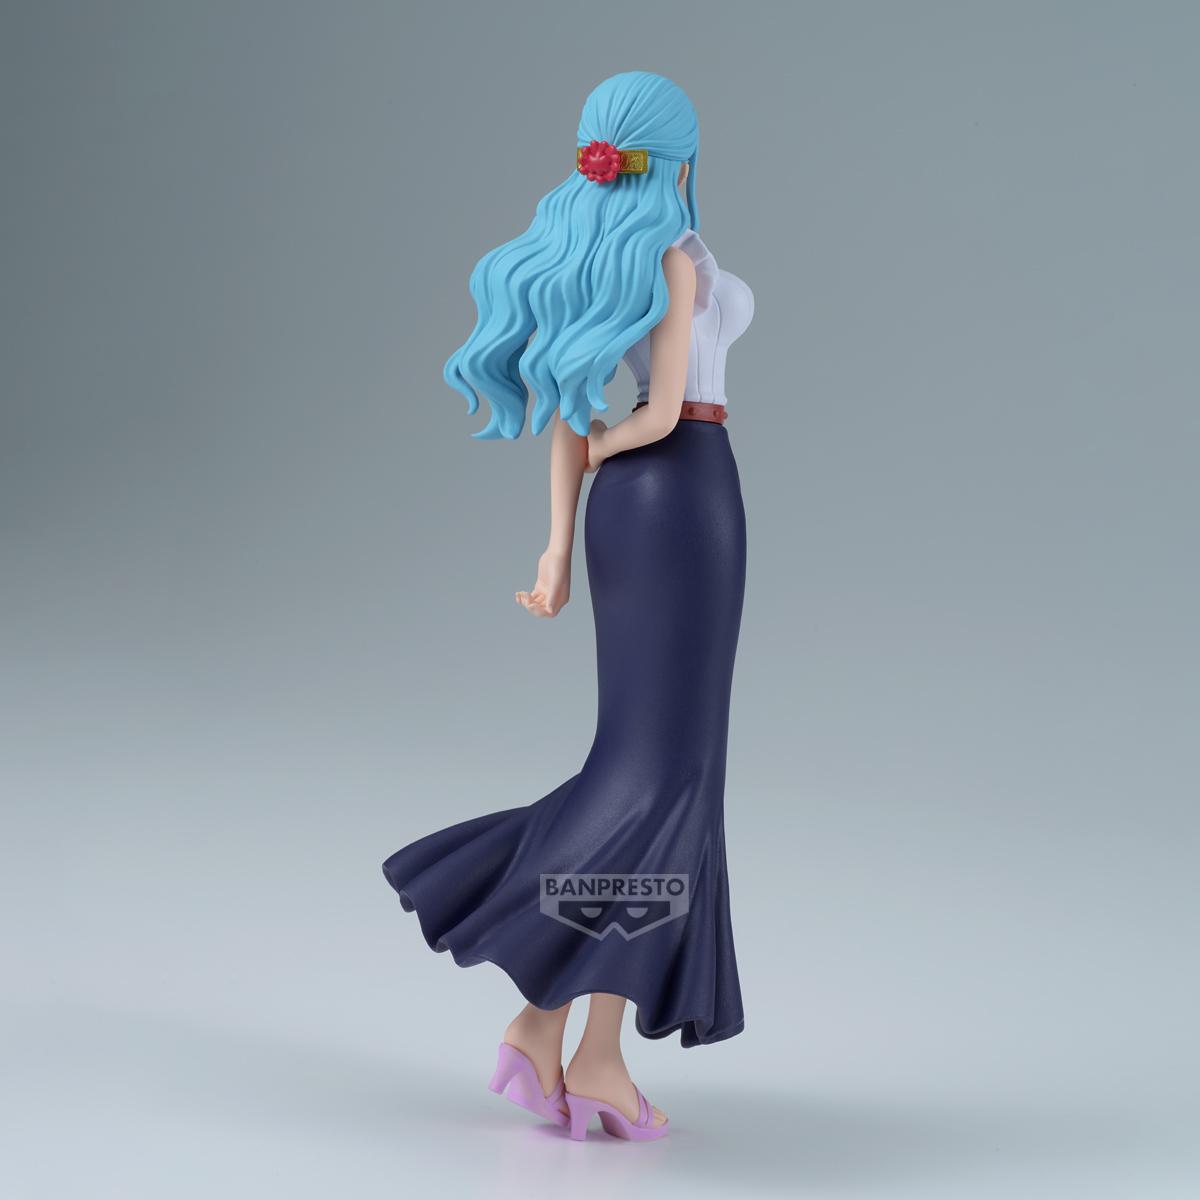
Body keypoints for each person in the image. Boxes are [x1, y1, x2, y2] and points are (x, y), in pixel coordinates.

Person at [383, 70, 755, 1142]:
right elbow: (664, 408)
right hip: (688, 494)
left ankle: (558, 1034)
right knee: (666, 777)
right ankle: (582, 1049)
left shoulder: (608, 259)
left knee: (644, 768)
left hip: (629, 513)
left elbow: (569, 407)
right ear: (678, 159)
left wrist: (557, 543)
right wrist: (604, 455)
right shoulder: (672, 257)